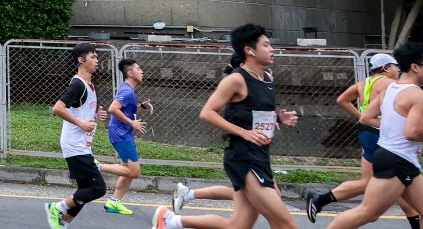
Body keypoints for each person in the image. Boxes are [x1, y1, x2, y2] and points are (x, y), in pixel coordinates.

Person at [152, 24, 299, 229]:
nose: (272, 49)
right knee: (286, 224)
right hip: (244, 159)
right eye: (266, 45)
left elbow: (252, 113)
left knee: (238, 226)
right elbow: (207, 112)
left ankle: (170, 220)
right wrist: (244, 133)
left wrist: (278, 118)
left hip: (261, 156)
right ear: (250, 50)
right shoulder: (237, 79)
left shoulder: (267, 78)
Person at [317, 42, 423, 229]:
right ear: (415, 67)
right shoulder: (416, 95)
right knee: (367, 213)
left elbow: (366, 118)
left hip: (394, 156)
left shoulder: (389, 90)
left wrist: (392, 129)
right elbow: (412, 132)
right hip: (398, 161)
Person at [46, 43, 108, 229]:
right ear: (81, 60)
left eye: (97, 57)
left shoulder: (90, 85)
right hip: (74, 145)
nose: (97, 61)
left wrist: (97, 116)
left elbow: (80, 111)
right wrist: (81, 124)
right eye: (93, 58)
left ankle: (63, 223)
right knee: (98, 189)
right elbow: (58, 108)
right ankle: (56, 207)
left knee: (84, 191)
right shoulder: (77, 84)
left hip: (82, 144)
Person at [101, 58, 154, 215]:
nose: (141, 71)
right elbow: (113, 109)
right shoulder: (127, 90)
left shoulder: (129, 90)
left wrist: (141, 107)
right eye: (138, 69)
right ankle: (96, 166)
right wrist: (132, 123)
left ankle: (114, 202)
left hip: (124, 133)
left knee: (129, 170)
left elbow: (125, 111)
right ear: (130, 73)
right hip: (120, 133)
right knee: (134, 171)